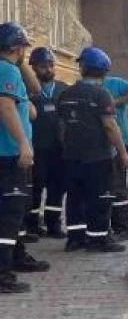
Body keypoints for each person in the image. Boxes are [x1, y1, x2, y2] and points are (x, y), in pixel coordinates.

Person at [57, 47, 128, 253]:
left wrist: (68, 147)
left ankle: (75, 238)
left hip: (71, 156)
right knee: (100, 197)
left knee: (74, 197)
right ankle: (98, 239)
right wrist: (123, 153)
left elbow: (62, 127)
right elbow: (110, 126)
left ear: (82, 68)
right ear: (104, 71)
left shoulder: (66, 94)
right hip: (98, 157)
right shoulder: (102, 94)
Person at [0, 22, 51, 294]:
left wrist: (25, 105)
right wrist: (23, 144)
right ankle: (3, 275)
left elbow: (32, 99)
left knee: (14, 213)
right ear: (17, 48)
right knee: (9, 215)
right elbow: (5, 107)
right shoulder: (6, 69)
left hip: (8, 154)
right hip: (10, 154)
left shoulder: (10, 71)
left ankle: (16, 258)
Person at [23, 47, 69, 239]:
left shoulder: (63, 89)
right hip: (36, 148)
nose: (48, 69)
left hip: (58, 149)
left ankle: (53, 224)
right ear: (33, 67)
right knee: (35, 187)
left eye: (51, 65)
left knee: (57, 188)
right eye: (43, 66)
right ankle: (32, 225)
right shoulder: (26, 89)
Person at [102, 61, 128, 237]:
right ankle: (110, 223)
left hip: (120, 140)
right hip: (100, 144)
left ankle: (122, 226)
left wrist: (116, 102)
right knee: (107, 185)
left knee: (118, 183)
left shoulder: (116, 84)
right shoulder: (86, 89)